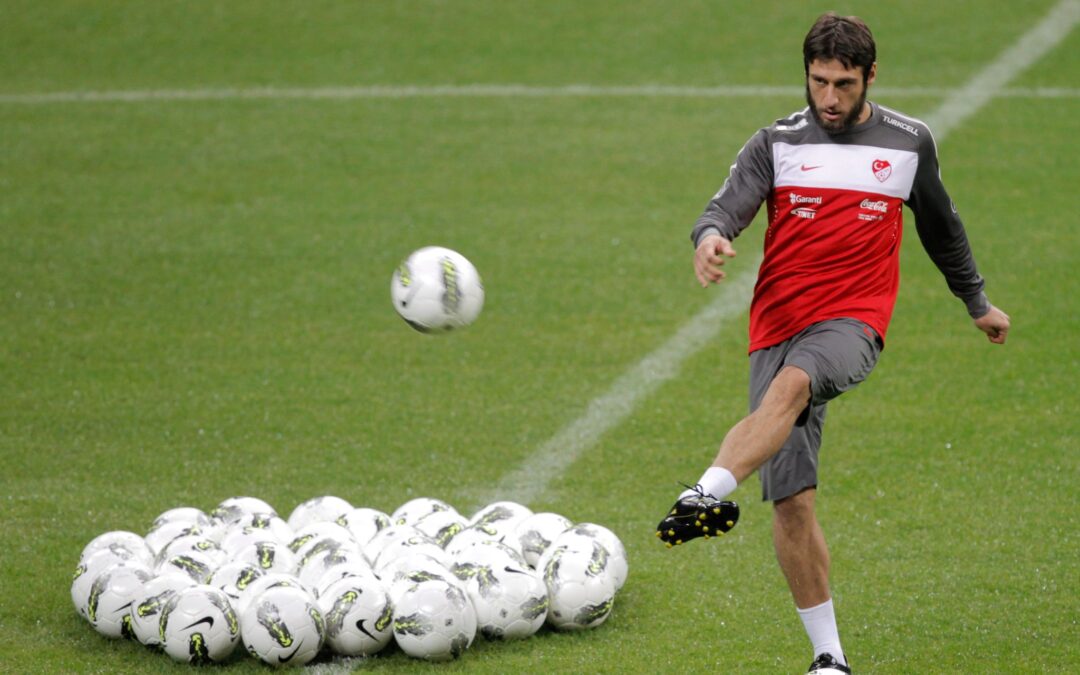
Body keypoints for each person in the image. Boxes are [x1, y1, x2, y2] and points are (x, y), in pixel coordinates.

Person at [655, 12, 1010, 675]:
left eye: (843, 84)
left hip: (854, 322)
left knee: (795, 383)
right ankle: (829, 658)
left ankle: (705, 491)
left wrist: (977, 303)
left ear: (871, 75)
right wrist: (709, 238)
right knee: (792, 504)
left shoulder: (908, 143)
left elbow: (944, 230)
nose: (829, 99)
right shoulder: (777, 141)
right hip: (777, 323)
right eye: (818, 82)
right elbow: (725, 205)